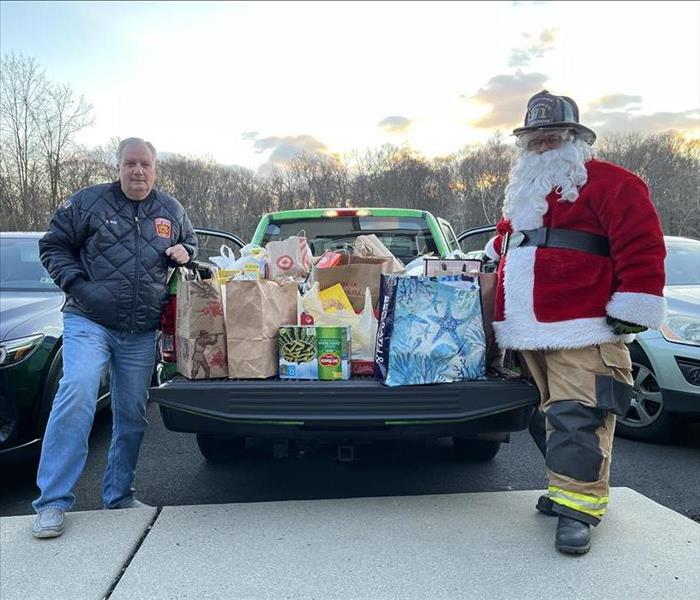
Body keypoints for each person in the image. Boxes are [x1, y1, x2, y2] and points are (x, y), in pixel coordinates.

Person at [485, 91, 666, 555]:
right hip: (528, 329)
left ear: (577, 138)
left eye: (553, 136)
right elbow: (508, 245)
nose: (543, 145)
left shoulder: (613, 183)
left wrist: (633, 308)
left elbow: (642, 247)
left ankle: (579, 509)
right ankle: (568, 489)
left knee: (577, 416)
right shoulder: (524, 194)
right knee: (543, 417)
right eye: (535, 138)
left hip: (582, 323)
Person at [32, 138, 197, 538]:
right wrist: (79, 287)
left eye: (145, 164)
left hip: (141, 331)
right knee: (78, 392)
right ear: (118, 166)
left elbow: (190, 244)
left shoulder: (171, 210)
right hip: (89, 320)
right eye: (130, 164)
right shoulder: (88, 202)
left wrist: (185, 252)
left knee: (130, 414)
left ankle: (119, 496)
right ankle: (52, 501)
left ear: (155, 168)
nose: (137, 171)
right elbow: (53, 245)